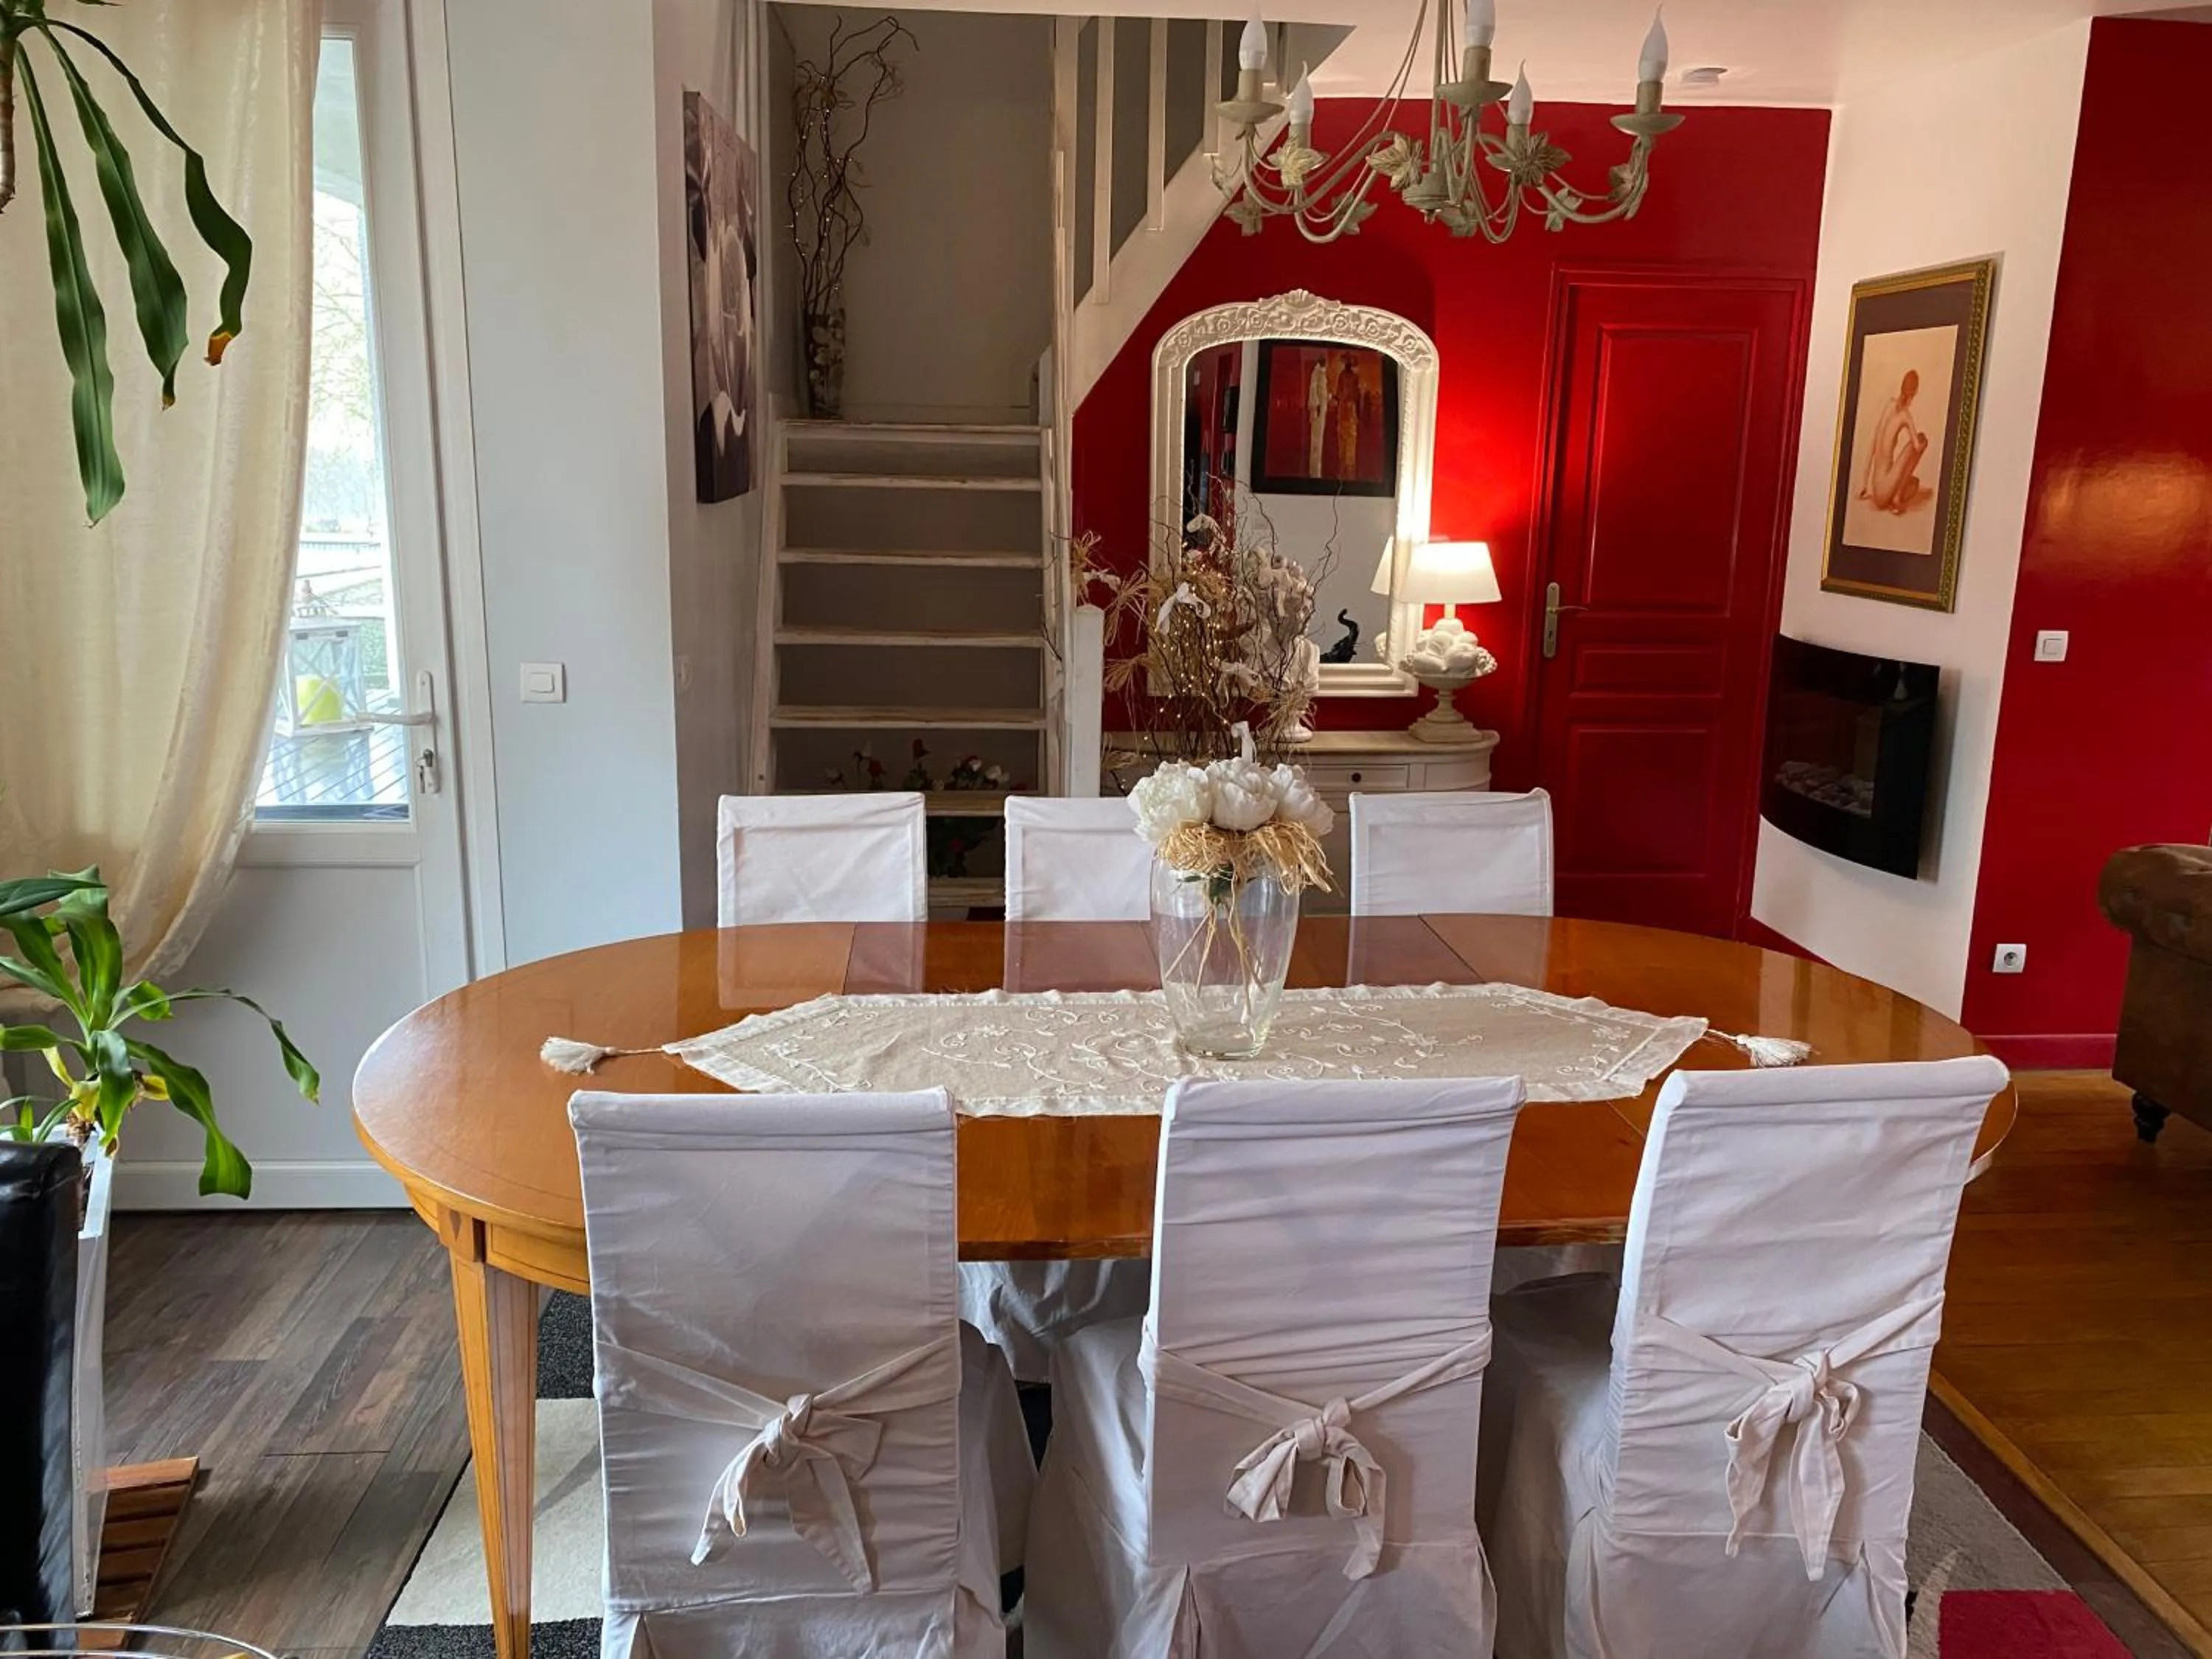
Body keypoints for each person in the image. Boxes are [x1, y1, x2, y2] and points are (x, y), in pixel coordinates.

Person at [1857, 367, 1931, 515]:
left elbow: (1873, 443)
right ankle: (1897, 498)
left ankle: (1897, 494)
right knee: (1922, 439)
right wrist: (1922, 443)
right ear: (1915, 392)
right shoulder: (1905, 416)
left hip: (1876, 487)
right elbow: (1917, 447)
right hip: (1884, 492)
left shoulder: (1889, 405)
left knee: (1914, 483)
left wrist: (1864, 484)